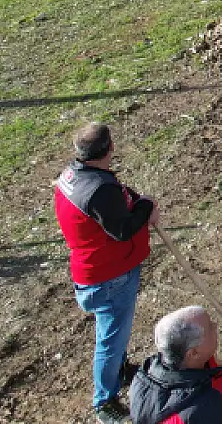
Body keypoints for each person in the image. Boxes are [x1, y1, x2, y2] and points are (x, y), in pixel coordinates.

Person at [55, 122, 155, 424]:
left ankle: (121, 370)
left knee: (115, 336)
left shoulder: (74, 176)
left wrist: (135, 200)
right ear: (109, 148)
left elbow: (116, 199)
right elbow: (122, 229)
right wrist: (146, 209)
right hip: (109, 278)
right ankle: (104, 403)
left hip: (93, 271)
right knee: (110, 341)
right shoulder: (99, 190)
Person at [128, 306, 222, 424]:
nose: (215, 326)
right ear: (193, 352)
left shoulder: (153, 370)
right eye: (210, 327)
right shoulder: (205, 412)